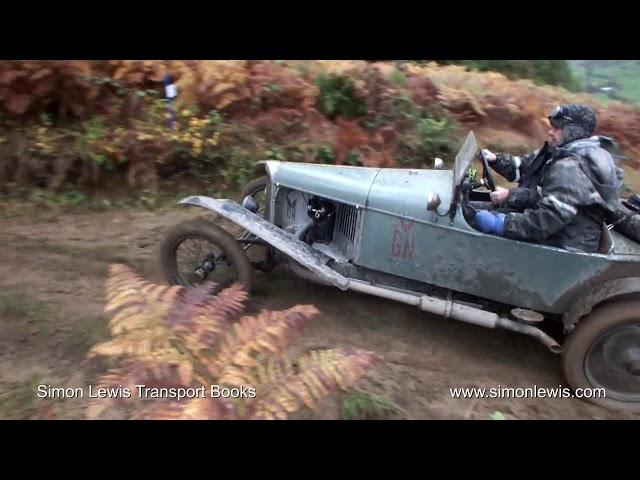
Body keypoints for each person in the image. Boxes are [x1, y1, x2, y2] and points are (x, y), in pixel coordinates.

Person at [474, 104, 624, 253]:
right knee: (474, 211)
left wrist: (502, 224)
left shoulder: (570, 167)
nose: (550, 132)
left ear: (572, 132)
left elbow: (546, 220)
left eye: (557, 128)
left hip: (563, 247)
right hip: (558, 233)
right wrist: (495, 160)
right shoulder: (563, 154)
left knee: (473, 223)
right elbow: (528, 171)